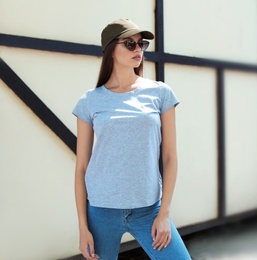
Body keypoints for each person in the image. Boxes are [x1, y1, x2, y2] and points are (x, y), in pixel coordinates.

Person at [72, 18, 191, 260]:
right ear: (110, 51)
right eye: (129, 44)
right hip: (101, 211)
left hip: (149, 210)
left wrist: (164, 213)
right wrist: (83, 228)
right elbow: (82, 167)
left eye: (141, 44)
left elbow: (169, 156)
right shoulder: (89, 101)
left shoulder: (160, 93)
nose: (138, 49)